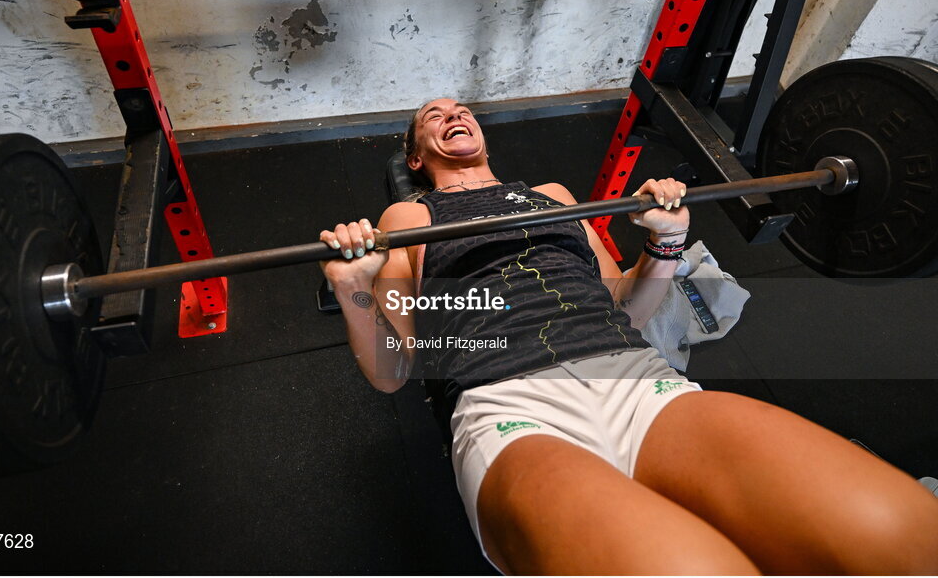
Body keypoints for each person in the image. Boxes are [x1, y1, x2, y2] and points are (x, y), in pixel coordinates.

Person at [319, 97, 938, 575]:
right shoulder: (407, 217)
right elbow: (393, 369)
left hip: (635, 378)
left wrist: (666, 240)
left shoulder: (553, 197)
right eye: (435, 116)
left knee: (898, 534)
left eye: (462, 110)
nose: (453, 115)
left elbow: (630, 310)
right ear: (415, 157)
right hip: (510, 404)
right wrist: (354, 284)